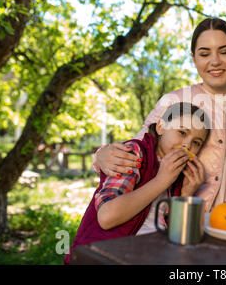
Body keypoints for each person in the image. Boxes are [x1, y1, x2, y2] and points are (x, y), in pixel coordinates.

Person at [92, 17, 226, 214]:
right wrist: (101, 156)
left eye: (224, 52)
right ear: (194, 59)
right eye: (205, 54)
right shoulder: (173, 101)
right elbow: (141, 149)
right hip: (184, 222)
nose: (215, 61)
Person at [64, 102, 210, 264]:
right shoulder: (135, 153)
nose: (187, 145)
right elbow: (107, 217)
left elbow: (169, 229)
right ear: (161, 127)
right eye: (182, 132)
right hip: (106, 255)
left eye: (196, 142)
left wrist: (186, 194)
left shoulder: (179, 173)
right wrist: (161, 181)